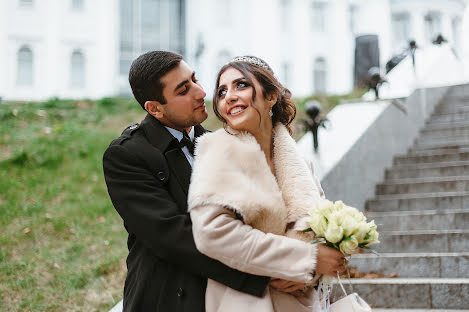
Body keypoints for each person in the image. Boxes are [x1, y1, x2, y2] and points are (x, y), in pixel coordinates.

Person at [103, 51, 275, 312]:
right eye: (184, 90)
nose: (201, 92)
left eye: (194, 79)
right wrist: (264, 274)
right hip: (166, 298)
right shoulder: (127, 155)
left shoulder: (224, 143)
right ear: (154, 108)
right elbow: (174, 236)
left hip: (228, 297)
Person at [188, 56, 347, 311]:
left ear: (271, 95)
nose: (228, 96)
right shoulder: (217, 154)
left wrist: (311, 272)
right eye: (222, 91)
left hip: (301, 302)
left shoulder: (299, 163)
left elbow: (320, 228)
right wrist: (304, 259)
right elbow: (213, 234)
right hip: (245, 302)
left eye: (241, 85)